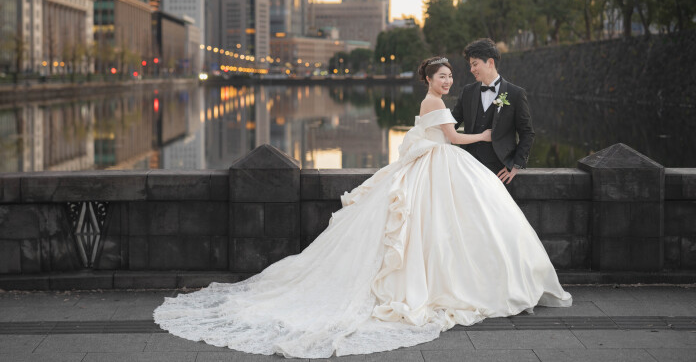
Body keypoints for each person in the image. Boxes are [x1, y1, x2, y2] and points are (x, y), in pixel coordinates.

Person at [154, 57, 571, 358]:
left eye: (451, 76)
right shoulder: (438, 104)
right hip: (444, 164)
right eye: (443, 76)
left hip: (436, 166)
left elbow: (439, 132)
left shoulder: (436, 103)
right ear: (430, 78)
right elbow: (454, 137)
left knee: (437, 227)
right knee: (440, 228)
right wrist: (482, 136)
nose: (450, 80)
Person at [451, 38, 534, 184]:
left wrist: (515, 165)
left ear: (490, 62)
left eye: (475, 64)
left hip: (499, 172)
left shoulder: (515, 94)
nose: (471, 70)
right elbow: (452, 125)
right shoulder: (467, 92)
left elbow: (527, 133)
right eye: (470, 65)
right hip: (468, 169)